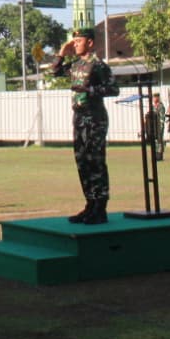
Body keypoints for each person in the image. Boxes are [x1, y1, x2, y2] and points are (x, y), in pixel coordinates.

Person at [50, 28, 119, 224]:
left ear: (90, 43)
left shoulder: (97, 65)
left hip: (94, 118)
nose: (76, 44)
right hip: (79, 118)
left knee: (95, 162)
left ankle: (100, 207)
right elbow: (55, 72)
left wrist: (89, 89)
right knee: (82, 162)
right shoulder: (76, 65)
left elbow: (114, 89)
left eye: (79, 41)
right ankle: (90, 204)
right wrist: (62, 52)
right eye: (75, 41)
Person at [147, 92, 166, 161]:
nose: (154, 99)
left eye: (156, 97)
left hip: (159, 125)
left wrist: (161, 126)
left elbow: (162, 117)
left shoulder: (160, 106)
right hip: (153, 126)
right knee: (154, 141)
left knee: (159, 141)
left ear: (158, 98)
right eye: (154, 97)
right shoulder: (152, 106)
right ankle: (155, 154)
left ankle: (159, 155)